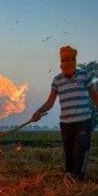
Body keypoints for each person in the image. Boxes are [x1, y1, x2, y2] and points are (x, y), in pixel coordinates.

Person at [32, 45, 97, 180]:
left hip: (83, 121)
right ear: (60, 63)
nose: (66, 63)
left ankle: (80, 178)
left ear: (75, 61)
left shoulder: (85, 75)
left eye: (69, 60)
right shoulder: (57, 80)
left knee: (81, 149)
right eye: (64, 60)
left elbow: (94, 96)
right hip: (66, 123)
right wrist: (38, 112)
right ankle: (69, 176)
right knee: (69, 151)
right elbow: (50, 102)